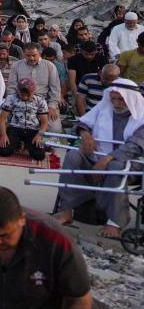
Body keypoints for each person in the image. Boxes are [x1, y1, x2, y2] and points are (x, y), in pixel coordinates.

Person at [54, 79, 143, 238]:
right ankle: (66, 210)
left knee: (116, 167)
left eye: (120, 99)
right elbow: (82, 123)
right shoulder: (105, 107)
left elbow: (135, 146)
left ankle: (115, 222)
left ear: (131, 98)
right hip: (98, 158)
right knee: (73, 156)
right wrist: (85, 134)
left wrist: (106, 160)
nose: (116, 103)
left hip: (132, 164)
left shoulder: (142, 114)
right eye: (113, 98)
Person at [6, 42, 61, 132]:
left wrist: (52, 107)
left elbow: (55, 89)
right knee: (15, 128)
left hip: (45, 103)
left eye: (34, 55)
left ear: (39, 53)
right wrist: (15, 104)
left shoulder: (50, 66)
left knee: (55, 129)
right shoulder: (16, 66)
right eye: (28, 56)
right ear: (24, 54)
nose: (31, 58)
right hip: (21, 101)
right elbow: (11, 88)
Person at [0, 78, 49, 160]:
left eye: (28, 94)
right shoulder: (11, 98)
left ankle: (26, 145)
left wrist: (39, 135)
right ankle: (18, 144)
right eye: (22, 94)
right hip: (14, 128)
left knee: (39, 155)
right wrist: (4, 135)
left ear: (33, 91)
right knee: (3, 151)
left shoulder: (40, 101)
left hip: (32, 129)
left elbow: (44, 122)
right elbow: (2, 119)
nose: (25, 97)